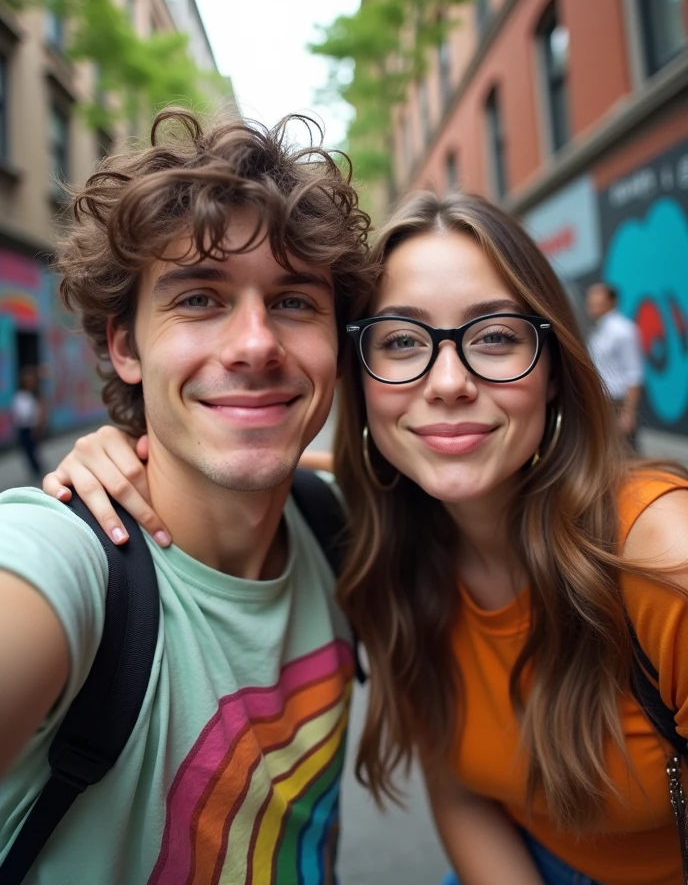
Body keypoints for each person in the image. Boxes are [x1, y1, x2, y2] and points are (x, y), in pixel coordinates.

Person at [44, 194, 688, 885]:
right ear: (362, 377)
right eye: (403, 342)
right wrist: (127, 443)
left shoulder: (656, 554)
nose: (447, 383)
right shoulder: (383, 544)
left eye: (496, 336)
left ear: (553, 367)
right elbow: (462, 790)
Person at [0, 107, 373, 883]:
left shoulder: (341, 520)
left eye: (296, 300)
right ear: (125, 345)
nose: (255, 344)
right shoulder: (61, 564)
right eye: (199, 299)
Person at [586, 282, 644, 449]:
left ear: (611, 300)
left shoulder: (623, 330)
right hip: (602, 404)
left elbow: (634, 373)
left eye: (596, 295)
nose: (590, 300)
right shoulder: (598, 330)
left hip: (618, 405)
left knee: (627, 459)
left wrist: (628, 413)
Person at [11, 366, 45, 479]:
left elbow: (39, 412)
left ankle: (38, 469)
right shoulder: (20, 395)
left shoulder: (34, 395)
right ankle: (36, 470)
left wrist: (37, 426)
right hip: (22, 427)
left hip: (31, 426)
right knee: (27, 450)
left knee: (33, 449)